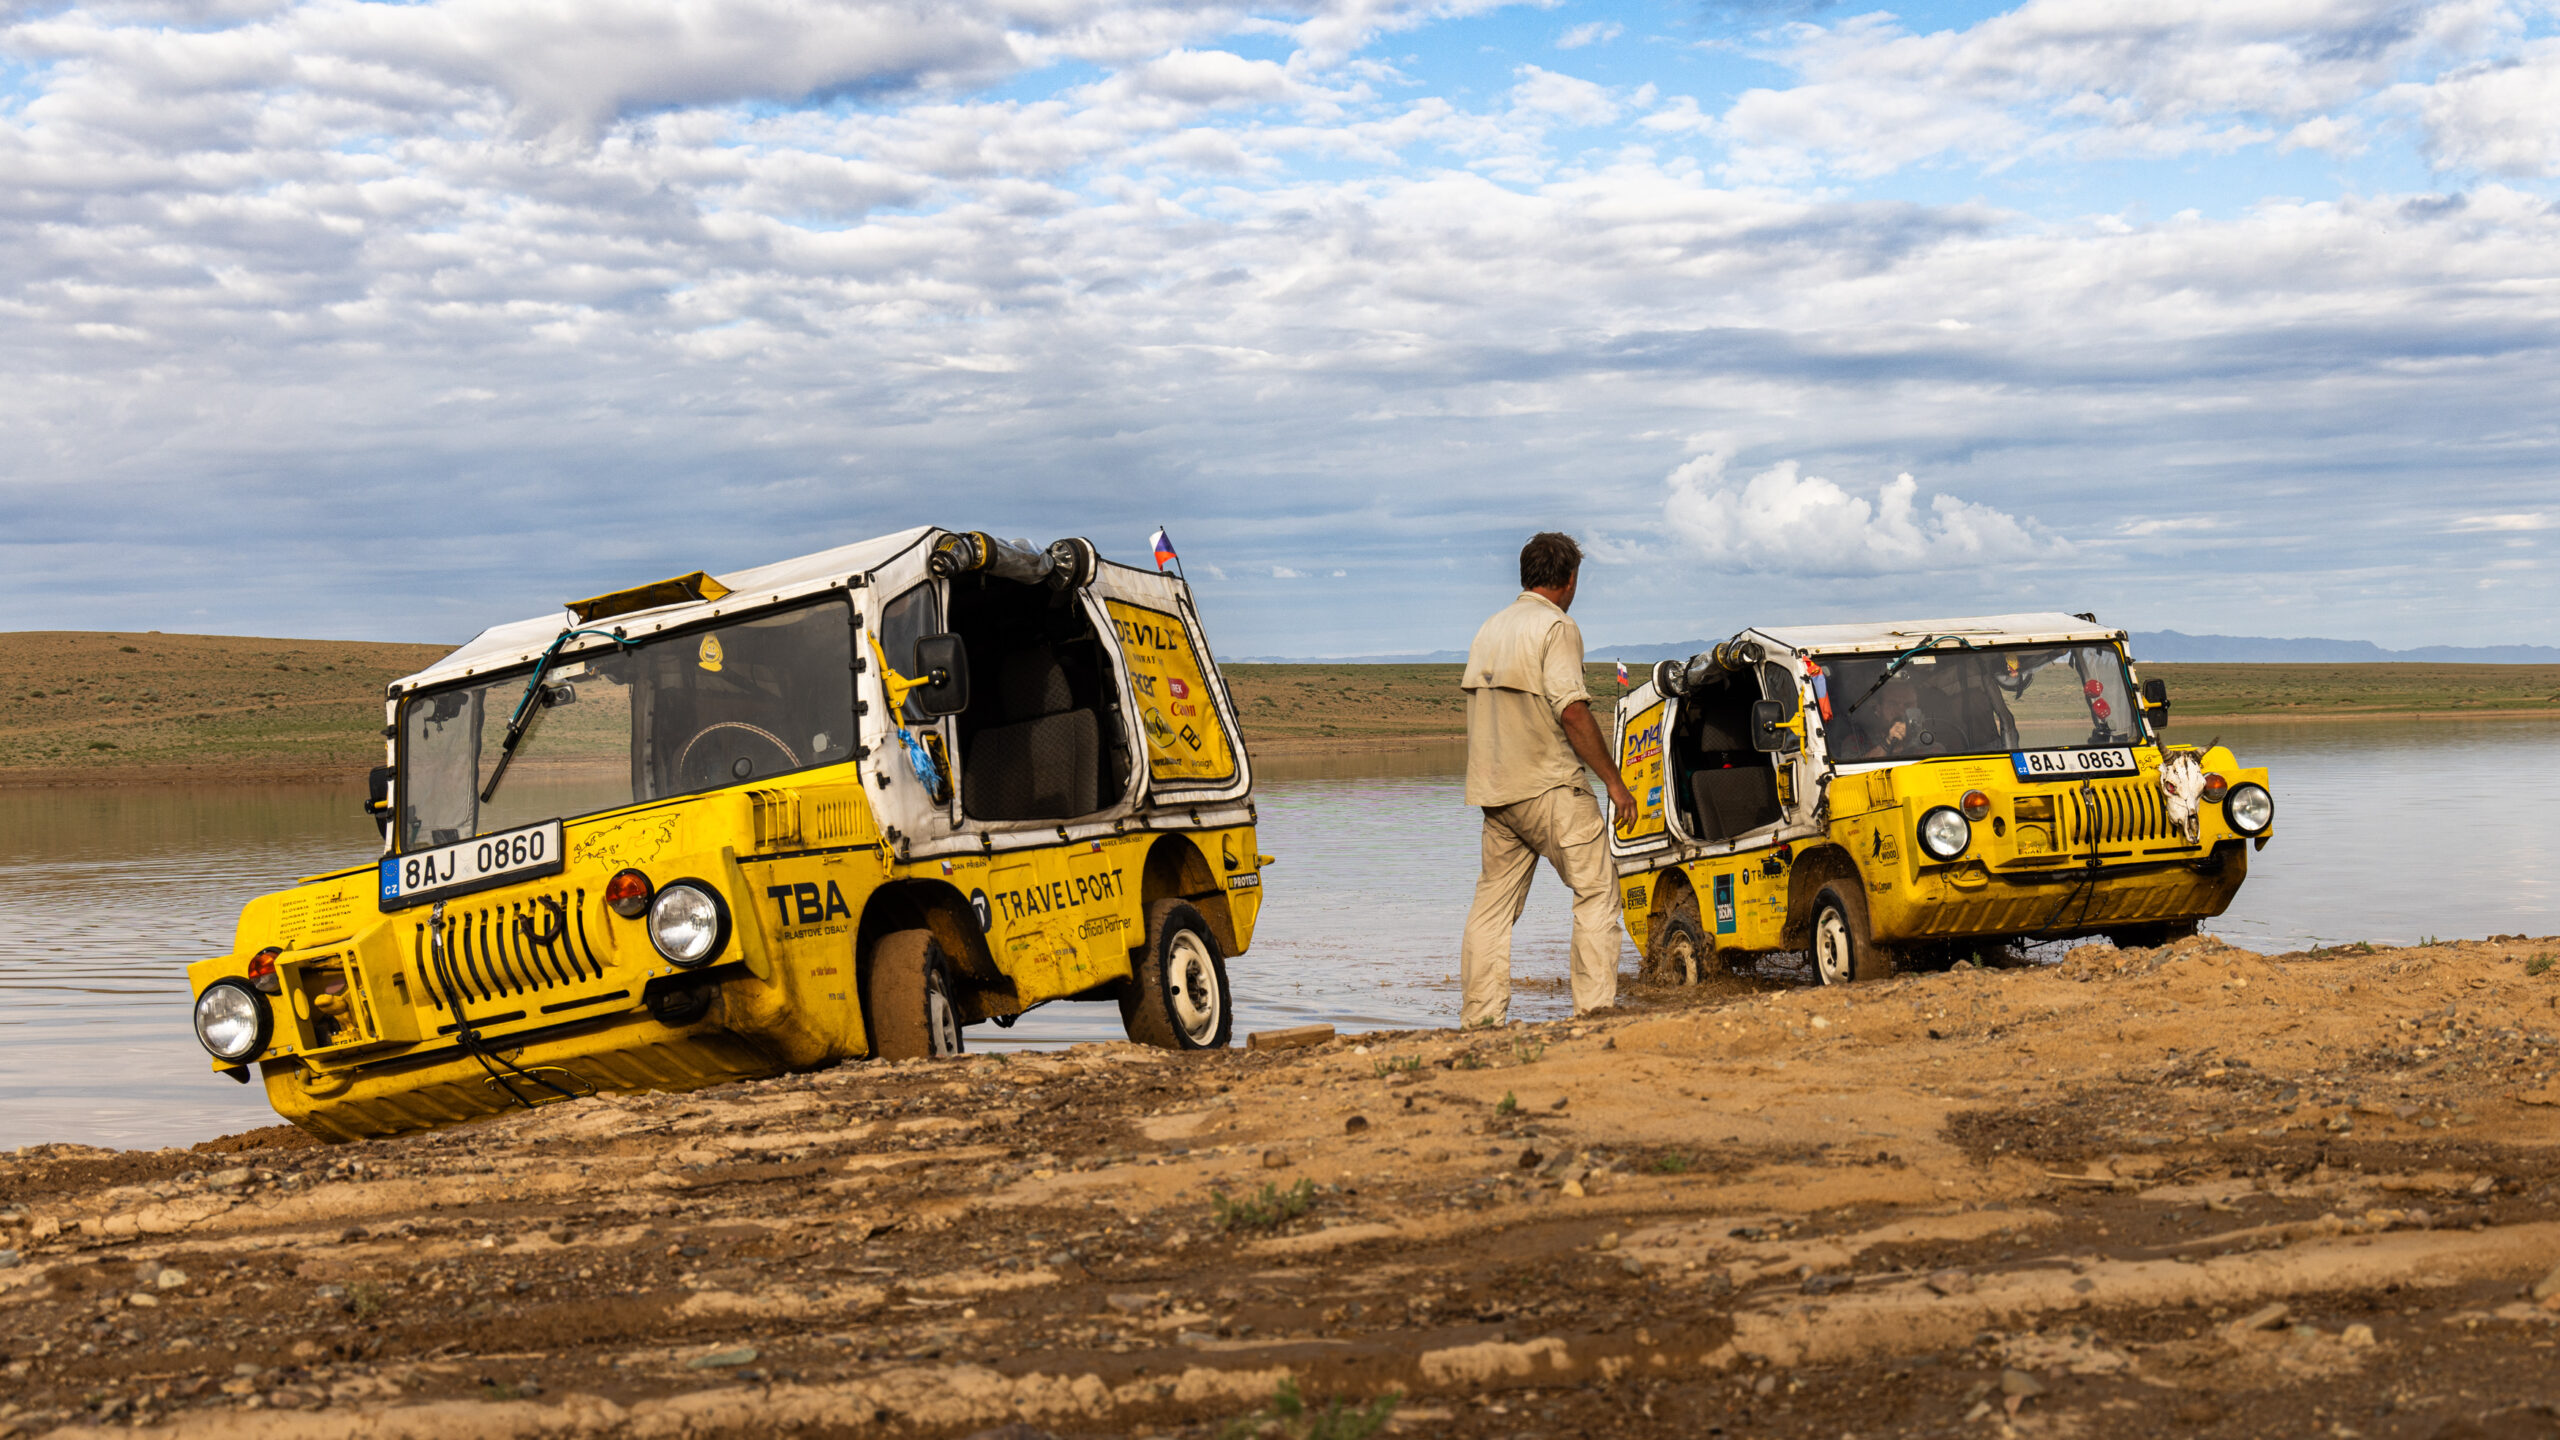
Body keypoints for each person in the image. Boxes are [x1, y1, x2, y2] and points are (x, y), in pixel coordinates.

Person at [1456, 532, 1641, 1028]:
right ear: (1570, 579)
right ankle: (1595, 1012)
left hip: (1496, 793)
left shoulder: (1489, 629)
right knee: (1598, 891)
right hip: (1551, 787)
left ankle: (1480, 1020)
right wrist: (1615, 785)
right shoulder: (1557, 627)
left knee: (1491, 910)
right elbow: (1573, 712)